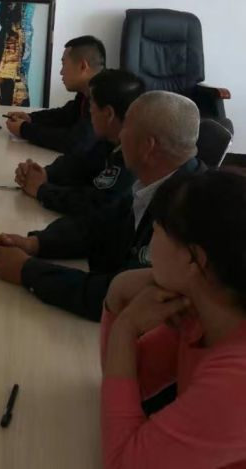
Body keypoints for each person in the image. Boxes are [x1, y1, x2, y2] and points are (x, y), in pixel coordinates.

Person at [0, 91, 204, 322]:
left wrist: (27, 271)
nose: (120, 135)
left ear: (148, 146)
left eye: (127, 127)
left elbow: (118, 297)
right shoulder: (153, 181)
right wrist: (34, 243)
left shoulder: (185, 215)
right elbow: (97, 225)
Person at [101, 169, 246, 468]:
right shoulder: (203, 310)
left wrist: (125, 327)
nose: (150, 238)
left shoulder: (236, 381)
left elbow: (122, 463)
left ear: (194, 259)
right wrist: (118, 291)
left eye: (156, 230)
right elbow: (126, 383)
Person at [15, 69, 145, 216]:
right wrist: (45, 173)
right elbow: (79, 164)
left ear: (108, 114)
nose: (89, 111)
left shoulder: (132, 158)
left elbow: (98, 205)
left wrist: (42, 190)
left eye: (92, 104)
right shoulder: (110, 140)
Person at [5, 35, 106, 153]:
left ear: (83, 66)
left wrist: (24, 129)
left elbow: (75, 141)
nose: (61, 72)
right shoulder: (86, 93)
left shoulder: (104, 98)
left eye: (64, 64)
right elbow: (64, 115)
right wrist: (30, 118)